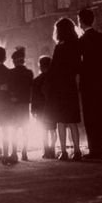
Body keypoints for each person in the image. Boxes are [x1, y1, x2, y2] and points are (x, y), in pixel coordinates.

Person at [78, 8, 102, 159]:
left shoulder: (81, 41)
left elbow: (80, 63)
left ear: (80, 21)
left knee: (91, 116)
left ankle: (96, 149)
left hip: (88, 82)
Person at [43, 18, 83, 161]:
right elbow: (78, 65)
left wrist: (47, 84)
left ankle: (64, 151)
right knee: (72, 120)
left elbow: (53, 67)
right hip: (70, 84)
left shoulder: (60, 47)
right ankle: (77, 150)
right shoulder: (76, 45)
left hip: (59, 85)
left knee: (60, 120)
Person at [7, 46, 34, 163]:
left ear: (14, 61)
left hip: (13, 104)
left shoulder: (11, 73)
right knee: (25, 130)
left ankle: (13, 152)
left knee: (13, 130)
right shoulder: (29, 73)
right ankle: (24, 152)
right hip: (24, 104)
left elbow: (9, 88)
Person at [31, 56, 58, 159]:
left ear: (40, 66)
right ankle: (53, 148)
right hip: (52, 107)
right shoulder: (54, 79)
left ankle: (46, 150)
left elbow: (34, 96)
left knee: (43, 130)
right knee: (53, 130)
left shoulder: (36, 80)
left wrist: (33, 110)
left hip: (40, 108)